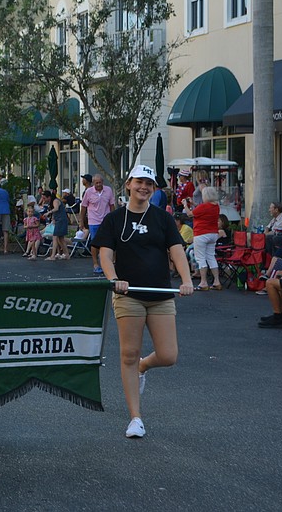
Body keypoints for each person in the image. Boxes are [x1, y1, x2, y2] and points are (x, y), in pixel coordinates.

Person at [93, 164, 193, 439]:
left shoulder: (162, 218)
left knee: (168, 355)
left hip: (161, 295)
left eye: (149, 184)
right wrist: (114, 279)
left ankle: (144, 366)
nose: (144, 187)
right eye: (139, 182)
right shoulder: (114, 220)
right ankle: (135, 418)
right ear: (128, 184)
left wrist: (186, 279)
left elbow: (177, 252)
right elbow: (105, 254)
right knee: (128, 353)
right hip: (129, 296)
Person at [183, 186, 221, 290]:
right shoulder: (216, 206)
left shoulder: (204, 207)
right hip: (213, 233)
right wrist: (194, 204)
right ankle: (216, 281)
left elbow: (190, 214)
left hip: (201, 233)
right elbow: (201, 209)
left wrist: (185, 205)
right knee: (211, 256)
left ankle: (203, 282)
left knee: (200, 258)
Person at [80, 174, 115, 274]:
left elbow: (112, 205)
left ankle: (109, 263)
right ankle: (96, 264)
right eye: (96, 183)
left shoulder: (108, 190)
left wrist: (113, 219)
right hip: (93, 221)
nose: (99, 185)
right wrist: (81, 221)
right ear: (93, 183)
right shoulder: (89, 192)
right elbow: (83, 207)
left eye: (100, 182)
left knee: (109, 242)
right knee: (95, 243)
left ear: (103, 182)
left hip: (106, 220)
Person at [44, 189, 70, 261]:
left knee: (55, 237)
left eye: (44, 198)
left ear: (49, 197)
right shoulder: (52, 201)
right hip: (59, 220)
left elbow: (56, 208)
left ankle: (53, 255)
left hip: (61, 220)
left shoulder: (55, 201)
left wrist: (48, 213)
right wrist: (53, 218)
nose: (44, 200)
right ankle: (67, 254)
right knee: (61, 238)